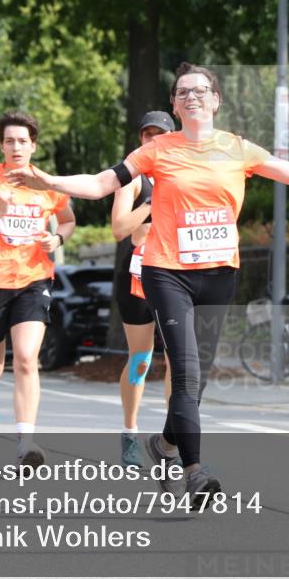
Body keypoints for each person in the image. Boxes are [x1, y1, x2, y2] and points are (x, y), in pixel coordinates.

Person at [7, 63, 289, 506]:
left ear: (216, 100)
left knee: (195, 384)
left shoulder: (237, 149)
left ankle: (163, 446)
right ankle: (194, 472)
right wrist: (48, 181)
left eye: (200, 90)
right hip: (167, 272)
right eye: (182, 92)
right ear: (176, 106)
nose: (192, 96)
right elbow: (103, 183)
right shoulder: (157, 150)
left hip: (219, 273)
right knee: (187, 370)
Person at [0, 111, 76, 468]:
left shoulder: (45, 183)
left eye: (23, 141)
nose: (16, 146)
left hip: (32, 281)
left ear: (33, 145)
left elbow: (68, 220)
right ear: (2, 145)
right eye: (9, 141)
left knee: (25, 358)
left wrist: (56, 237)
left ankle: (26, 442)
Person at [112, 112, 174, 467]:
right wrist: (151, 204)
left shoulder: (184, 173)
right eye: (146, 135)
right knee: (141, 359)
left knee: (178, 362)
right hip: (136, 274)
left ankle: (171, 439)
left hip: (175, 272)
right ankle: (130, 432)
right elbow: (119, 228)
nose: (152, 141)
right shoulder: (131, 177)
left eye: (159, 135)